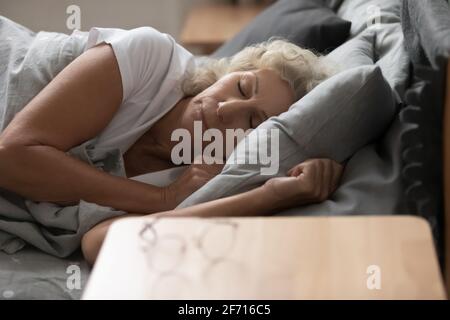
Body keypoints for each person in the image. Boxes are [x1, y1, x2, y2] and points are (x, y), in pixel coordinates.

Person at [0, 26, 343, 264]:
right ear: (228, 72)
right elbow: (11, 156)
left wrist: (274, 194)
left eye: (252, 123)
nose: (226, 111)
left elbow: (103, 245)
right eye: (241, 87)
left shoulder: (198, 176)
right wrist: (161, 200)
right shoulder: (152, 58)